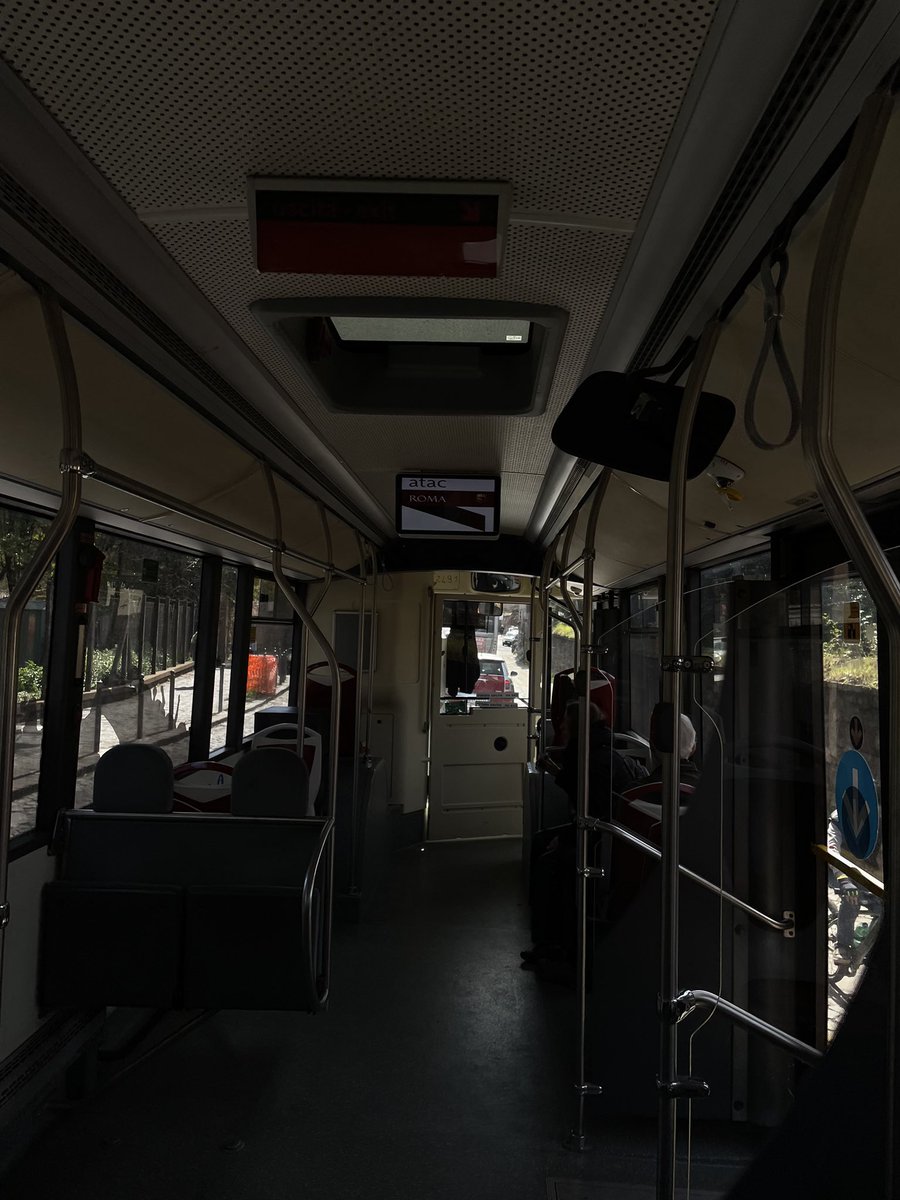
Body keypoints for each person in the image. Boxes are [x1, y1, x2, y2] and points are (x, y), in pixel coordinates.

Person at [522, 701, 635, 978]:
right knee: (540, 843)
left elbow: (596, 812)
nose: (559, 727)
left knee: (553, 863)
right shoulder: (589, 751)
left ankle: (560, 947)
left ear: (576, 726)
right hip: (593, 830)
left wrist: (565, 838)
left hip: (602, 840)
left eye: (564, 723)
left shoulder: (592, 758)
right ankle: (548, 940)